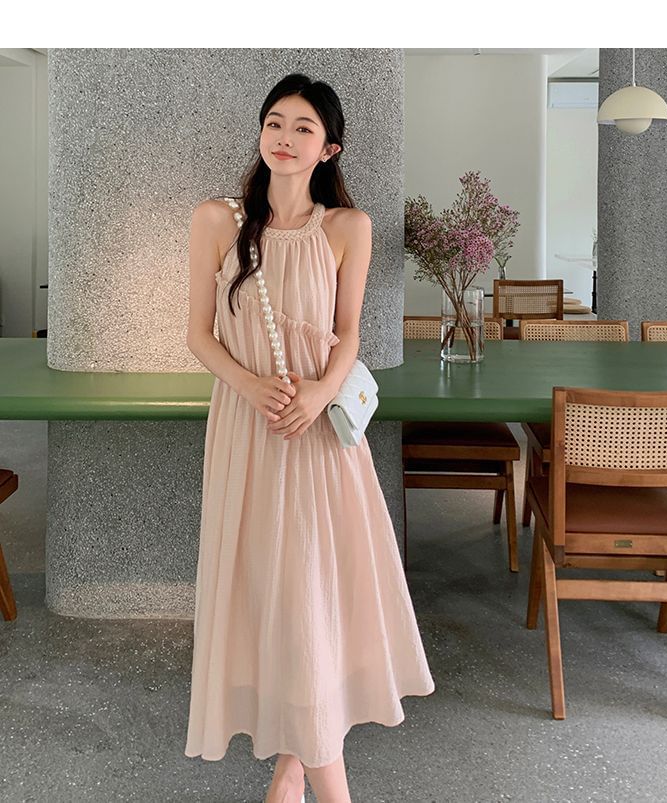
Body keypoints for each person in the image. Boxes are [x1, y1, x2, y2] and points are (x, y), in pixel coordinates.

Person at [183, 73, 435, 803]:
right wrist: (250, 385)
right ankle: (299, 767)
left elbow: (348, 334)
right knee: (275, 593)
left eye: (303, 128)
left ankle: (300, 769)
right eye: (275, 122)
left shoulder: (347, 228)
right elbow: (198, 335)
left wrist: (321, 393)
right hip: (249, 429)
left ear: (329, 148)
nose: (284, 138)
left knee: (312, 595)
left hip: (321, 436)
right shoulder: (216, 220)